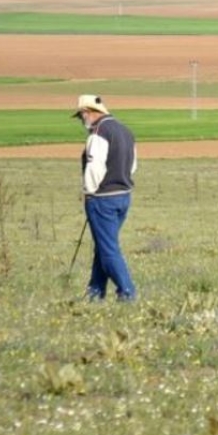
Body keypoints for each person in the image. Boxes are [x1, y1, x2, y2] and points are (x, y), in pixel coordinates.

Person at [72, 95, 138, 301]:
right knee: (104, 246)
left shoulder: (98, 133)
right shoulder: (125, 131)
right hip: (124, 196)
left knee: (108, 249)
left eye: (81, 116)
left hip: (102, 199)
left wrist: (89, 192)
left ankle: (127, 292)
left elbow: (95, 166)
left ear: (88, 112)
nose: (81, 121)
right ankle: (95, 292)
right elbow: (133, 165)